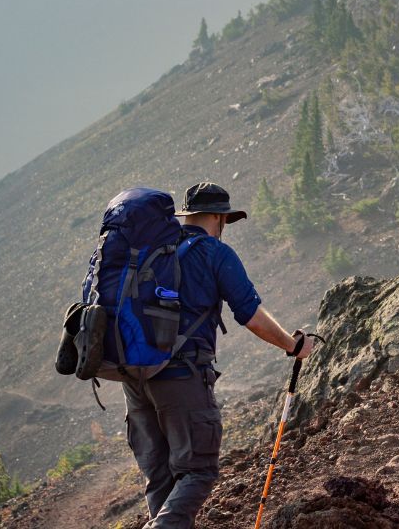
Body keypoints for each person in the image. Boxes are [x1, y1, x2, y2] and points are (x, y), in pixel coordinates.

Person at [124, 182, 317, 528]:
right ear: (218, 217)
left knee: (162, 477)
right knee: (198, 471)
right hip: (180, 376)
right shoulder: (215, 253)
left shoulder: (154, 250)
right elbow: (252, 317)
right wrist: (294, 345)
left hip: (134, 376)